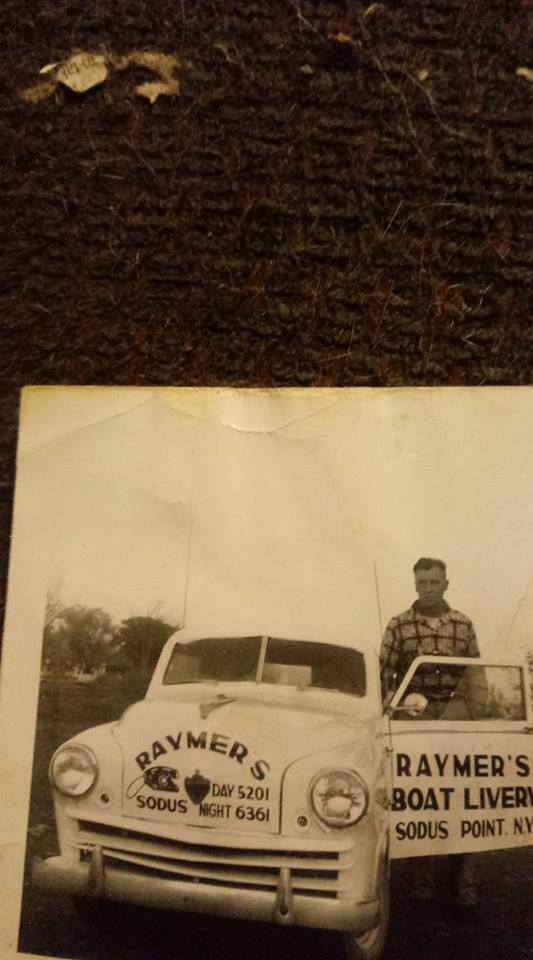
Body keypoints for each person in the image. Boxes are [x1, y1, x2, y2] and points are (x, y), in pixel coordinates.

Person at [380, 557, 481, 918]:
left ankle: (464, 884)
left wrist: (476, 717)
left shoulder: (464, 624)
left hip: (456, 719)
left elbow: (475, 676)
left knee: (466, 799)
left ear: (446, 583)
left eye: (434, 582)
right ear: (415, 584)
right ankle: (421, 882)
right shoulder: (398, 624)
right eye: (421, 582)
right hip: (414, 717)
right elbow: (384, 674)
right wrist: (385, 713)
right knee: (420, 798)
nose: (427, 588)